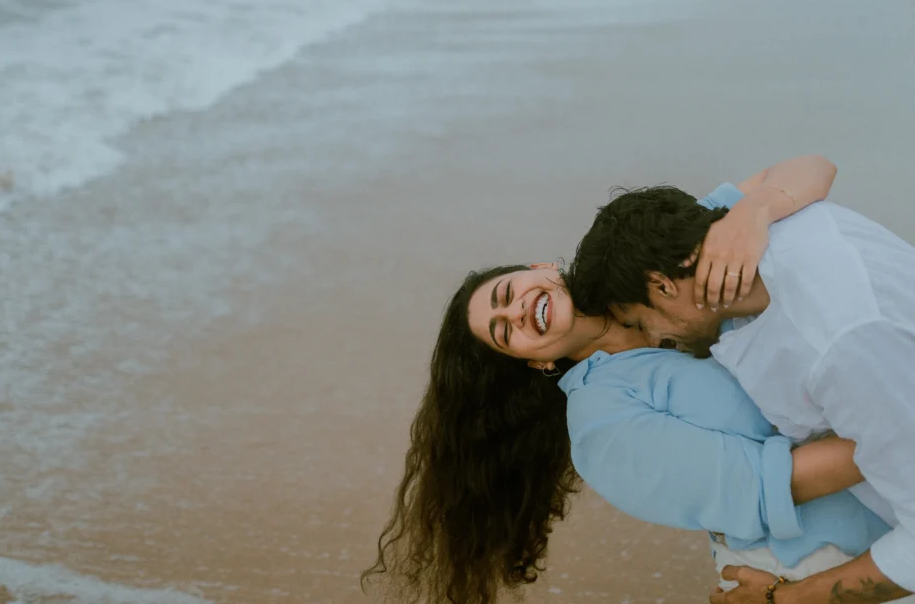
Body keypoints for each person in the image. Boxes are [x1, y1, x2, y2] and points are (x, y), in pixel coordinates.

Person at [362, 156, 892, 604]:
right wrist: (898, 423)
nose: (518, 312)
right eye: (505, 333)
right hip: (823, 565)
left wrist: (754, 212)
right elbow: (775, 483)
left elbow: (813, 168)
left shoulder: (646, 262)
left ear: (541, 267)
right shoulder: (604, 427)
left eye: (508, 293)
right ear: (535, 364)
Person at [567, 177, 915, 602]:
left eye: (641, 323)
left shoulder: (839, 346)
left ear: (662, 285)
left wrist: (782, 598)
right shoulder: (799, 224)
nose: (654, 340)